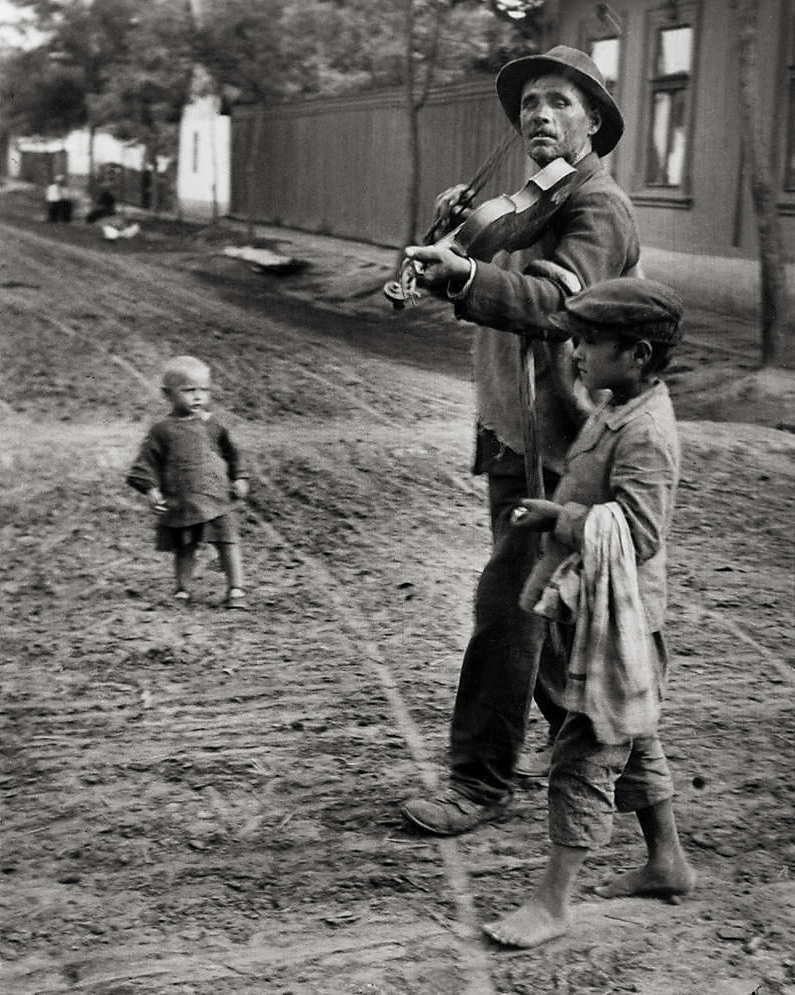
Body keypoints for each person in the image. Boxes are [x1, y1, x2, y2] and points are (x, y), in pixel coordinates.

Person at [400, 46, 642, 835]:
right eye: (529, 102)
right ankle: (630, 782)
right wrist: (458, 236)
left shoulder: (595, 208)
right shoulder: (527, 202)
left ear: (593, 123)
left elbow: (550, 304)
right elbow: (489, 258)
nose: (537, 114)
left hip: (566, 447)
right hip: (514, 431)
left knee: (508, 605)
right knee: (551, 617)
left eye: (559, 104)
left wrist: (465, 275)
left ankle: (477, 781)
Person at [482, 276, 696, 948]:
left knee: (582, 753)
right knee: (632, 734)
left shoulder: (646, 434)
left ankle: (551, 901)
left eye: (591, 342)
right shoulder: (615, 404)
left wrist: (560, 515)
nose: (576, 351)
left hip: (625, 619)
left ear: (635, 354)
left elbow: (637, 533)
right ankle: (666, 861)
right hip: (594, 606)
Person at [127, 355, 250, 608]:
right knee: (185, 546)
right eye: (189, 390)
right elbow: (146, 463)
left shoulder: (214, 426)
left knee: (227, 541)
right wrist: (151, 491)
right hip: (183, 499)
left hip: (216, 497)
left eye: (203, 390)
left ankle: (236, 589)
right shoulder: (162, 430)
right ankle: (183, 589)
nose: (198, 397)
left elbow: (232, 453)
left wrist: (239, 477)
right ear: (167, 394)